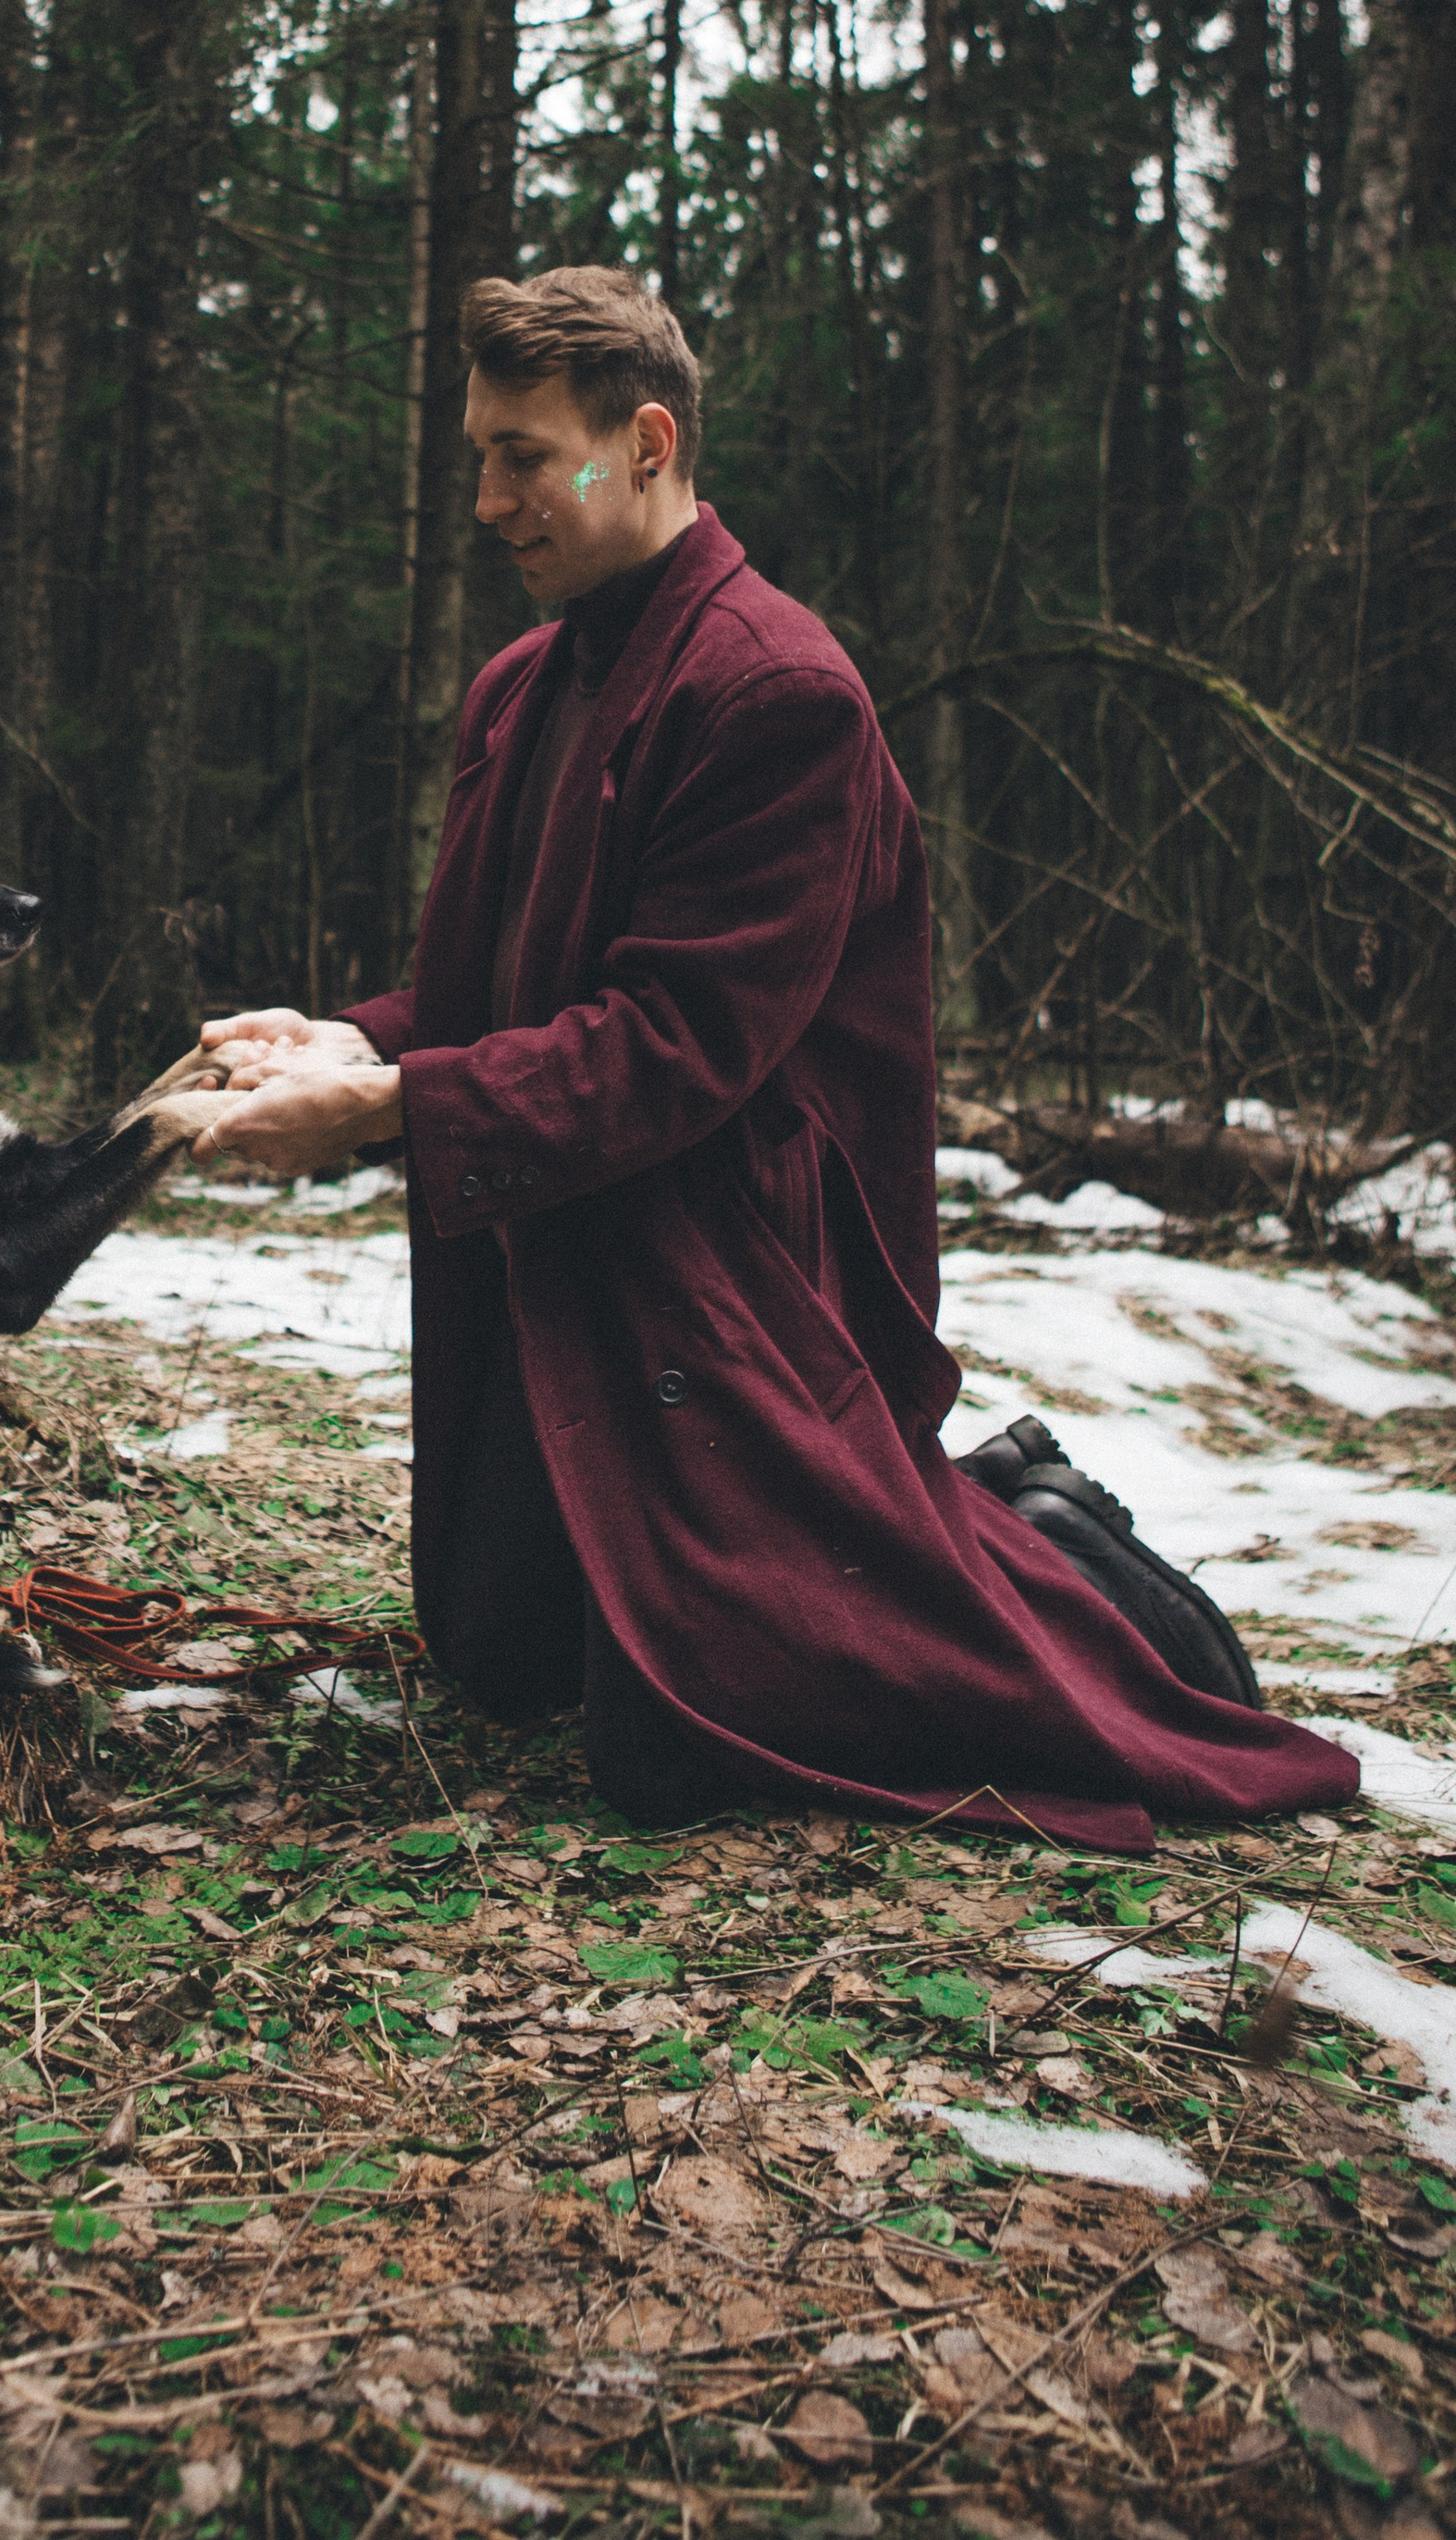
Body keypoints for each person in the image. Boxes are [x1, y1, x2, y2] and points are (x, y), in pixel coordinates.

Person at [193, 267, 1356, 1851]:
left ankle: (1046, 1544)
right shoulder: (524, 687)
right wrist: (352, 1036)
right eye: (480, 453)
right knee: (495, 1656)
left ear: (649, 442)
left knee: (669, 1751)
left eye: (525, 456)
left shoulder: (775, 690)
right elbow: (500, 989)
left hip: (730, 1275)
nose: (486, 499)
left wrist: (391, 1109)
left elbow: (674, 1047)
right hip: (572, 1248)